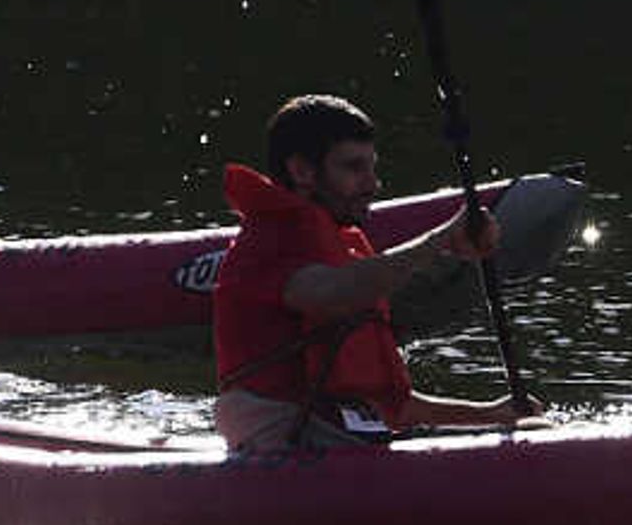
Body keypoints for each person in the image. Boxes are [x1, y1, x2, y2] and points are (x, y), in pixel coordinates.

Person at [210, 91, 539, 448]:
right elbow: (331, 293)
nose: (372, 184)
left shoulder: (343, 247)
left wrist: (492, 415)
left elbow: (394, 409)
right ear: (302, 171)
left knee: (531, 430)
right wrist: (441, 239)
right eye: (353, 167)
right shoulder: (266, 243)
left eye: (372, 166)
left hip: (330, 431)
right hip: (282, 432)